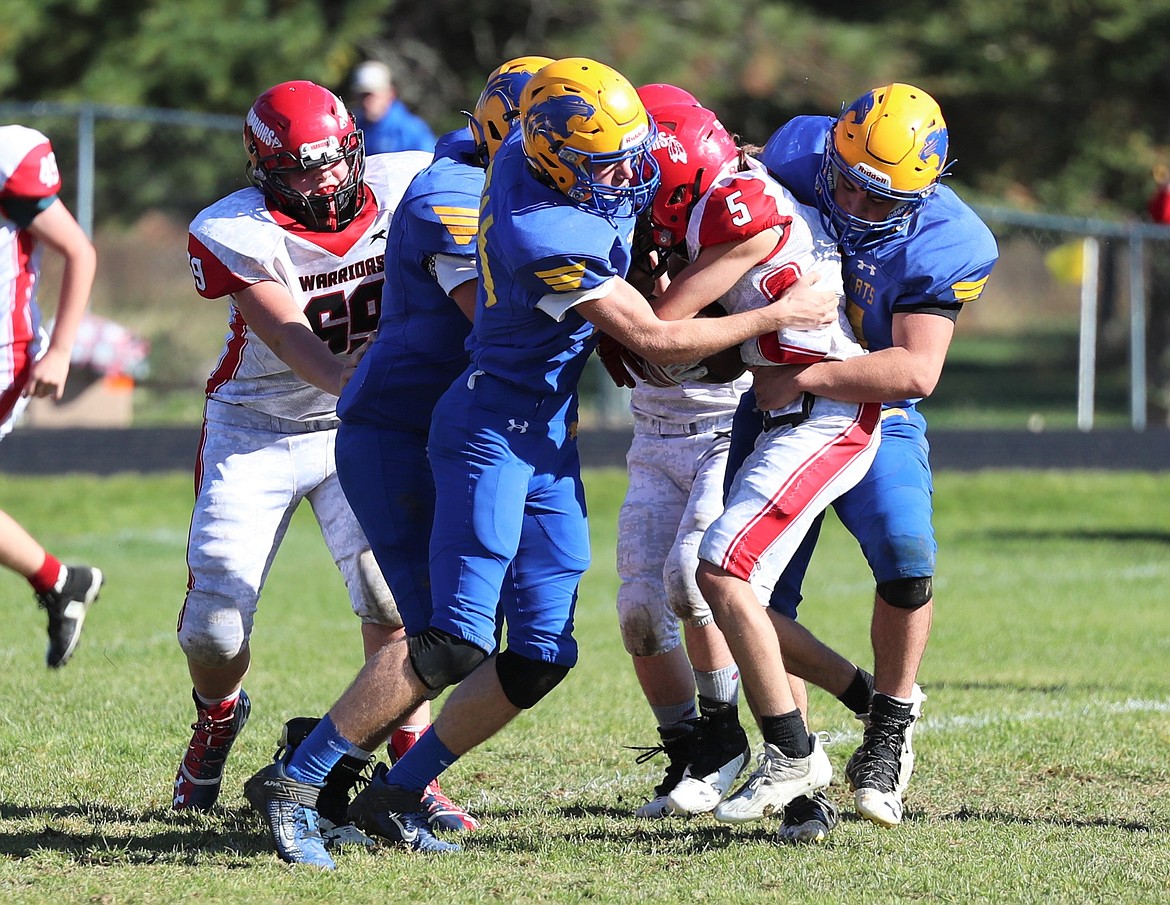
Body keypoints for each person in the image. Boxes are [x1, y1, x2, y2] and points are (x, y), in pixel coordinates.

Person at [243, 56, 835, 869]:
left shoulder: (534, 152)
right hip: (459, 424)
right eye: (604, 165)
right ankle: (303, 778)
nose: (629, 176)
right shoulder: (530, 222)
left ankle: (397, 790)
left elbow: (629, 135)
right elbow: (655, 341)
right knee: (449, 638)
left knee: (542, 653)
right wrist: (780, 309)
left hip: (541, 430)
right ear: (543, 151)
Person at [172, 81, 445, 840]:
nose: (324, 180)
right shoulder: (233, 229)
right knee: (214, 629)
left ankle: (411, 767)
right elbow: (293, 338)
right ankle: (219, 717)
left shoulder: (408, 180)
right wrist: (372, 387)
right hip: (256, 424)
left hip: (362, 423)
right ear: (264, 171)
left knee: (396, 604)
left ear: (355, 146)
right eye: (300, 168)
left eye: (332, 161)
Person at [604, 99, 881, 837]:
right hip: (782, 415)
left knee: (719, 570)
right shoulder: (722, 198)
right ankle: (859, 716)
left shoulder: (735, 205)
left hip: (824, 413)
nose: (629, 182)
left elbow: (663, 334)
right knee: (729, 585)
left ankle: (794, 758)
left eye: (639, 166)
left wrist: (626, 303)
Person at [727, 82, 998, 830]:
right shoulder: (801, 148)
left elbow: (915, 371)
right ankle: (798, 770)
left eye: (879, 200)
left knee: (908, 559)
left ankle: (891, 720)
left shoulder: (951, 238)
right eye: (845, 183)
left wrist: (799, 375)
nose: (853, 204)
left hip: (875, 408)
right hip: (780, 410)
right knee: (748, 591)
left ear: (925, 190)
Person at [322, 53, 555, 836]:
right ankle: (311, 779)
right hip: (400, 434)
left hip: (472, 436)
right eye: (564, 145)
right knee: (445, 638)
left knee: (519, 642)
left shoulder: (517, 183)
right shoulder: (452, 194)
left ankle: (365, 782)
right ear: (512, 138)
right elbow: (501, 323)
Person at [602, 83, 752, 821]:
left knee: (691, 579)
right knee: (637, 606)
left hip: (729, 422)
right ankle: (687, 747)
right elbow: (623, 348)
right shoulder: (612, 219)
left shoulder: (741, 213)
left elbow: (667, 333)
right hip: (654, 428)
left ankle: (727, 739)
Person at [0, 123, 102, 669]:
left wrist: (61, 350)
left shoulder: (8, 156)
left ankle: (60, 581)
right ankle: (62, 582)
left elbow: (79, 252)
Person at [351, 60, 436, 154]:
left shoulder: (412, 130)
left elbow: (429, 162)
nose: (365, 101)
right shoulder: (355, 128)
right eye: (361, 95)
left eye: (371, 95)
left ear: (390, 93)